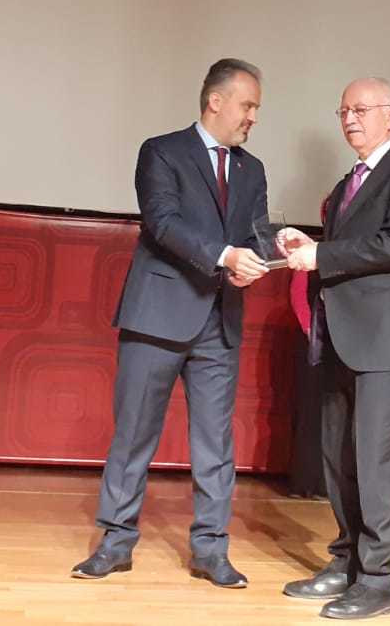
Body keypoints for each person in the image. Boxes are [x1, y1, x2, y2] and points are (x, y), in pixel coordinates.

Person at [71, 59, 272, 588]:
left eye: (256, 108)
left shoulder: (252, 169)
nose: (253, 117)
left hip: (219, 321)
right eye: (248, 105)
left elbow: (254, 235)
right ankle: (115, 543)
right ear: (216, 101)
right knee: (134, 434)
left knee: (215, 444)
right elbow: (162, 223)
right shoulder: (161, 151)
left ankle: (211, 550)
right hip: (158, 315)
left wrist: (268, 251)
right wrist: (225, 256)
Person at [280, 77, 390, 620]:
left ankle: (379, 579)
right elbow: (348, 249)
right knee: (337, 457)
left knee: (374, 459)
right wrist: (310, 246)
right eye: (343, 110)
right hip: (339, 335)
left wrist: (321, 256)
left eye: (361, 109)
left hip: (383, 340)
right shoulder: (349, 180)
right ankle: (347, 561)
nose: (350, 119)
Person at [284, 197, 332, 500]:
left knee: (336, 416)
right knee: (310, 412)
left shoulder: (354, 254)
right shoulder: (310, 250)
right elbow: (298, 296)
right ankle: (304, 481)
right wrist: (311, 332)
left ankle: (329, 484)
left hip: (346, 347)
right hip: (314, 345)